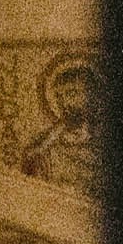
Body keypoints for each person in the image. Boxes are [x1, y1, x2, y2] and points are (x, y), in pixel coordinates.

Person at [19, 57, 99, 192]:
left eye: (72, 93)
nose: (64, 102)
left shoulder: (103, 144)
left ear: (91, 97)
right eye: (60, 96)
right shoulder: (43, 143)